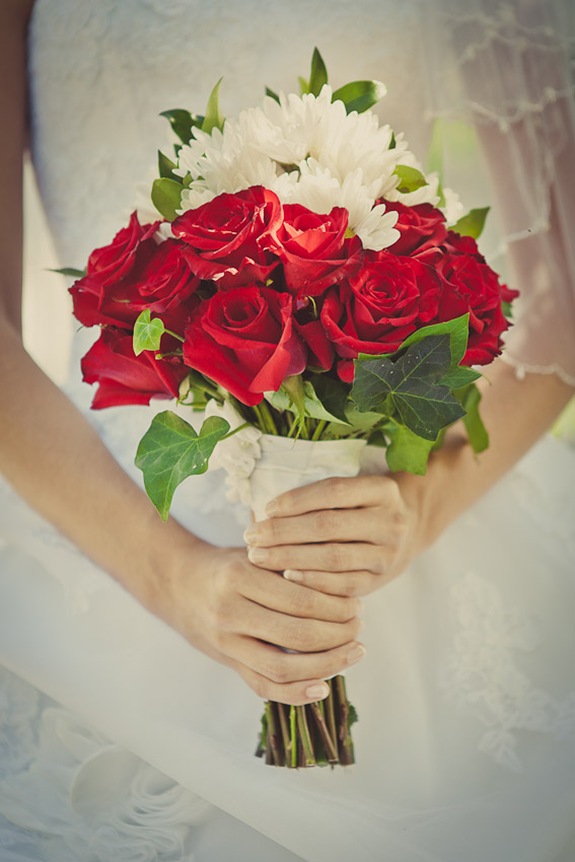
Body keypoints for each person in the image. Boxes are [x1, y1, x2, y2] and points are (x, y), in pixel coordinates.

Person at [0, 0, 574, 860]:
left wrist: (418, 509)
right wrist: (176, 581)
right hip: (110, 521)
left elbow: (562, 291)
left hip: (402, 520)